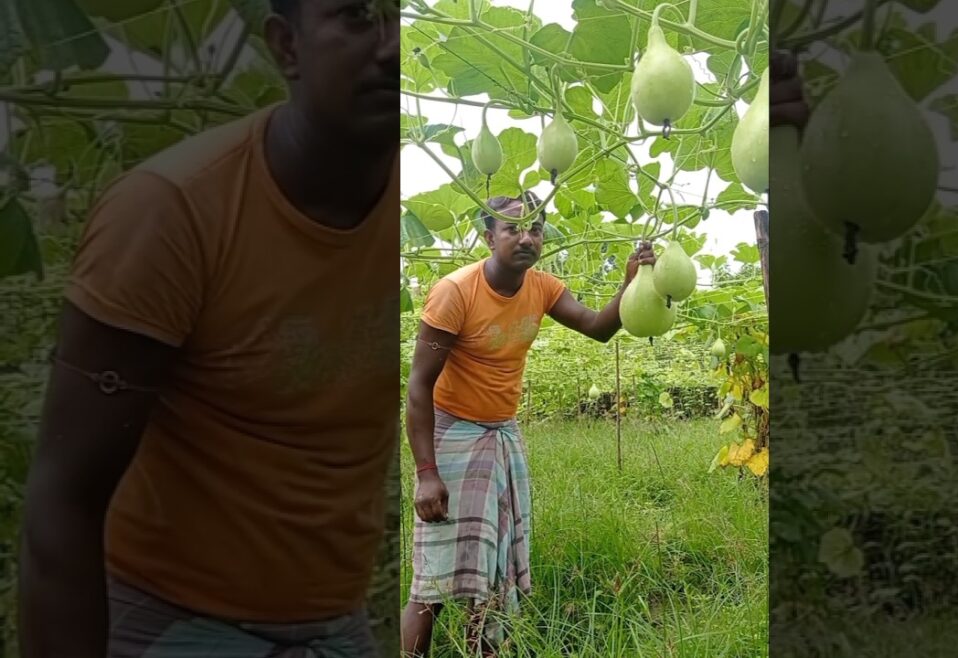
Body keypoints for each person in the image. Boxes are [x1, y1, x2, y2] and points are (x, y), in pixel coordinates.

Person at [17, 2, 398, 657]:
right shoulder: (169, 214)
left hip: (337, 620)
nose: (395, 48)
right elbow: (63, 501)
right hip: (171, 621)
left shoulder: (421, 219)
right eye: (359, 16)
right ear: (286, 47)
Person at [400, 191, 657, 656]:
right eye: (512, 228)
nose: (526, 237)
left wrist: (630, 283)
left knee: (496, 573)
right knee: (434, 578)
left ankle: (486, 652)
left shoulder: (543, 287)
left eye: (536, 229)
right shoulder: (455, 291)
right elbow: (418, 389)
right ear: (488, 236)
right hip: (452, 436)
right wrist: (426, 474)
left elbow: (599, 328)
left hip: (501, 434)